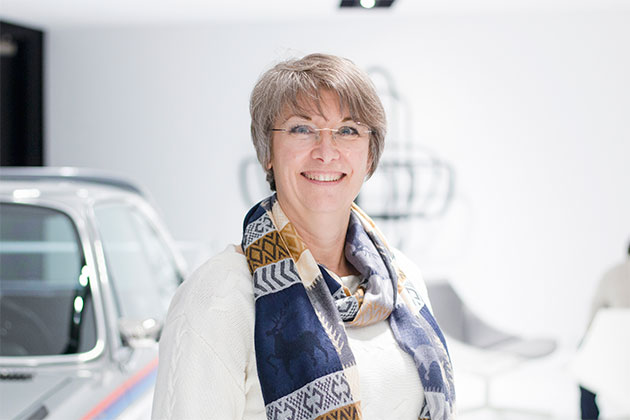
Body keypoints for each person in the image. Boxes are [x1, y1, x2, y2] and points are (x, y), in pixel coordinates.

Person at [152, 53, 456, 420]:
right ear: (268, 151)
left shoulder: (403, 281)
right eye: (301, 129)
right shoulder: (217, 297)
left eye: (348, 130)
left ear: (369, 155)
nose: (326, 152)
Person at [579, 240, 630, 420]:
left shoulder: (612, 275)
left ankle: (589, 417)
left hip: (615, 351)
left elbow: (593, 319)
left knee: (584, 369)